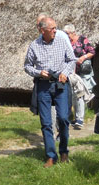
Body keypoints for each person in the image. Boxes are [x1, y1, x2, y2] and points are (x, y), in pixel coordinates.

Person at [24, 16, 76, 166]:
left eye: (55, 28)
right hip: (43, 86)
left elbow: (72, 60)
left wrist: (65, 73)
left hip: (60, 84)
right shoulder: (34, 45)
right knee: (46, 122)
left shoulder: (61, 40)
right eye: (52, 29)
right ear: (42, 30)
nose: (55, 31)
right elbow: (27, 66)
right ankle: (51, 156)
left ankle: (64, 151)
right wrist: (39, 73)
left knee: (64, 118)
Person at [63, 24, 96, 130]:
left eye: (67, 33)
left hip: (83, 71)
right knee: (72, 95)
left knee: (80, 94)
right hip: (71, 72)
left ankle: (79, 119)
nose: (66, 35)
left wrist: (83, 57)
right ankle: (73, 117)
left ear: (73, 33)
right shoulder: (66, 42)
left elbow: (92, 52)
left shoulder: (82, 40)